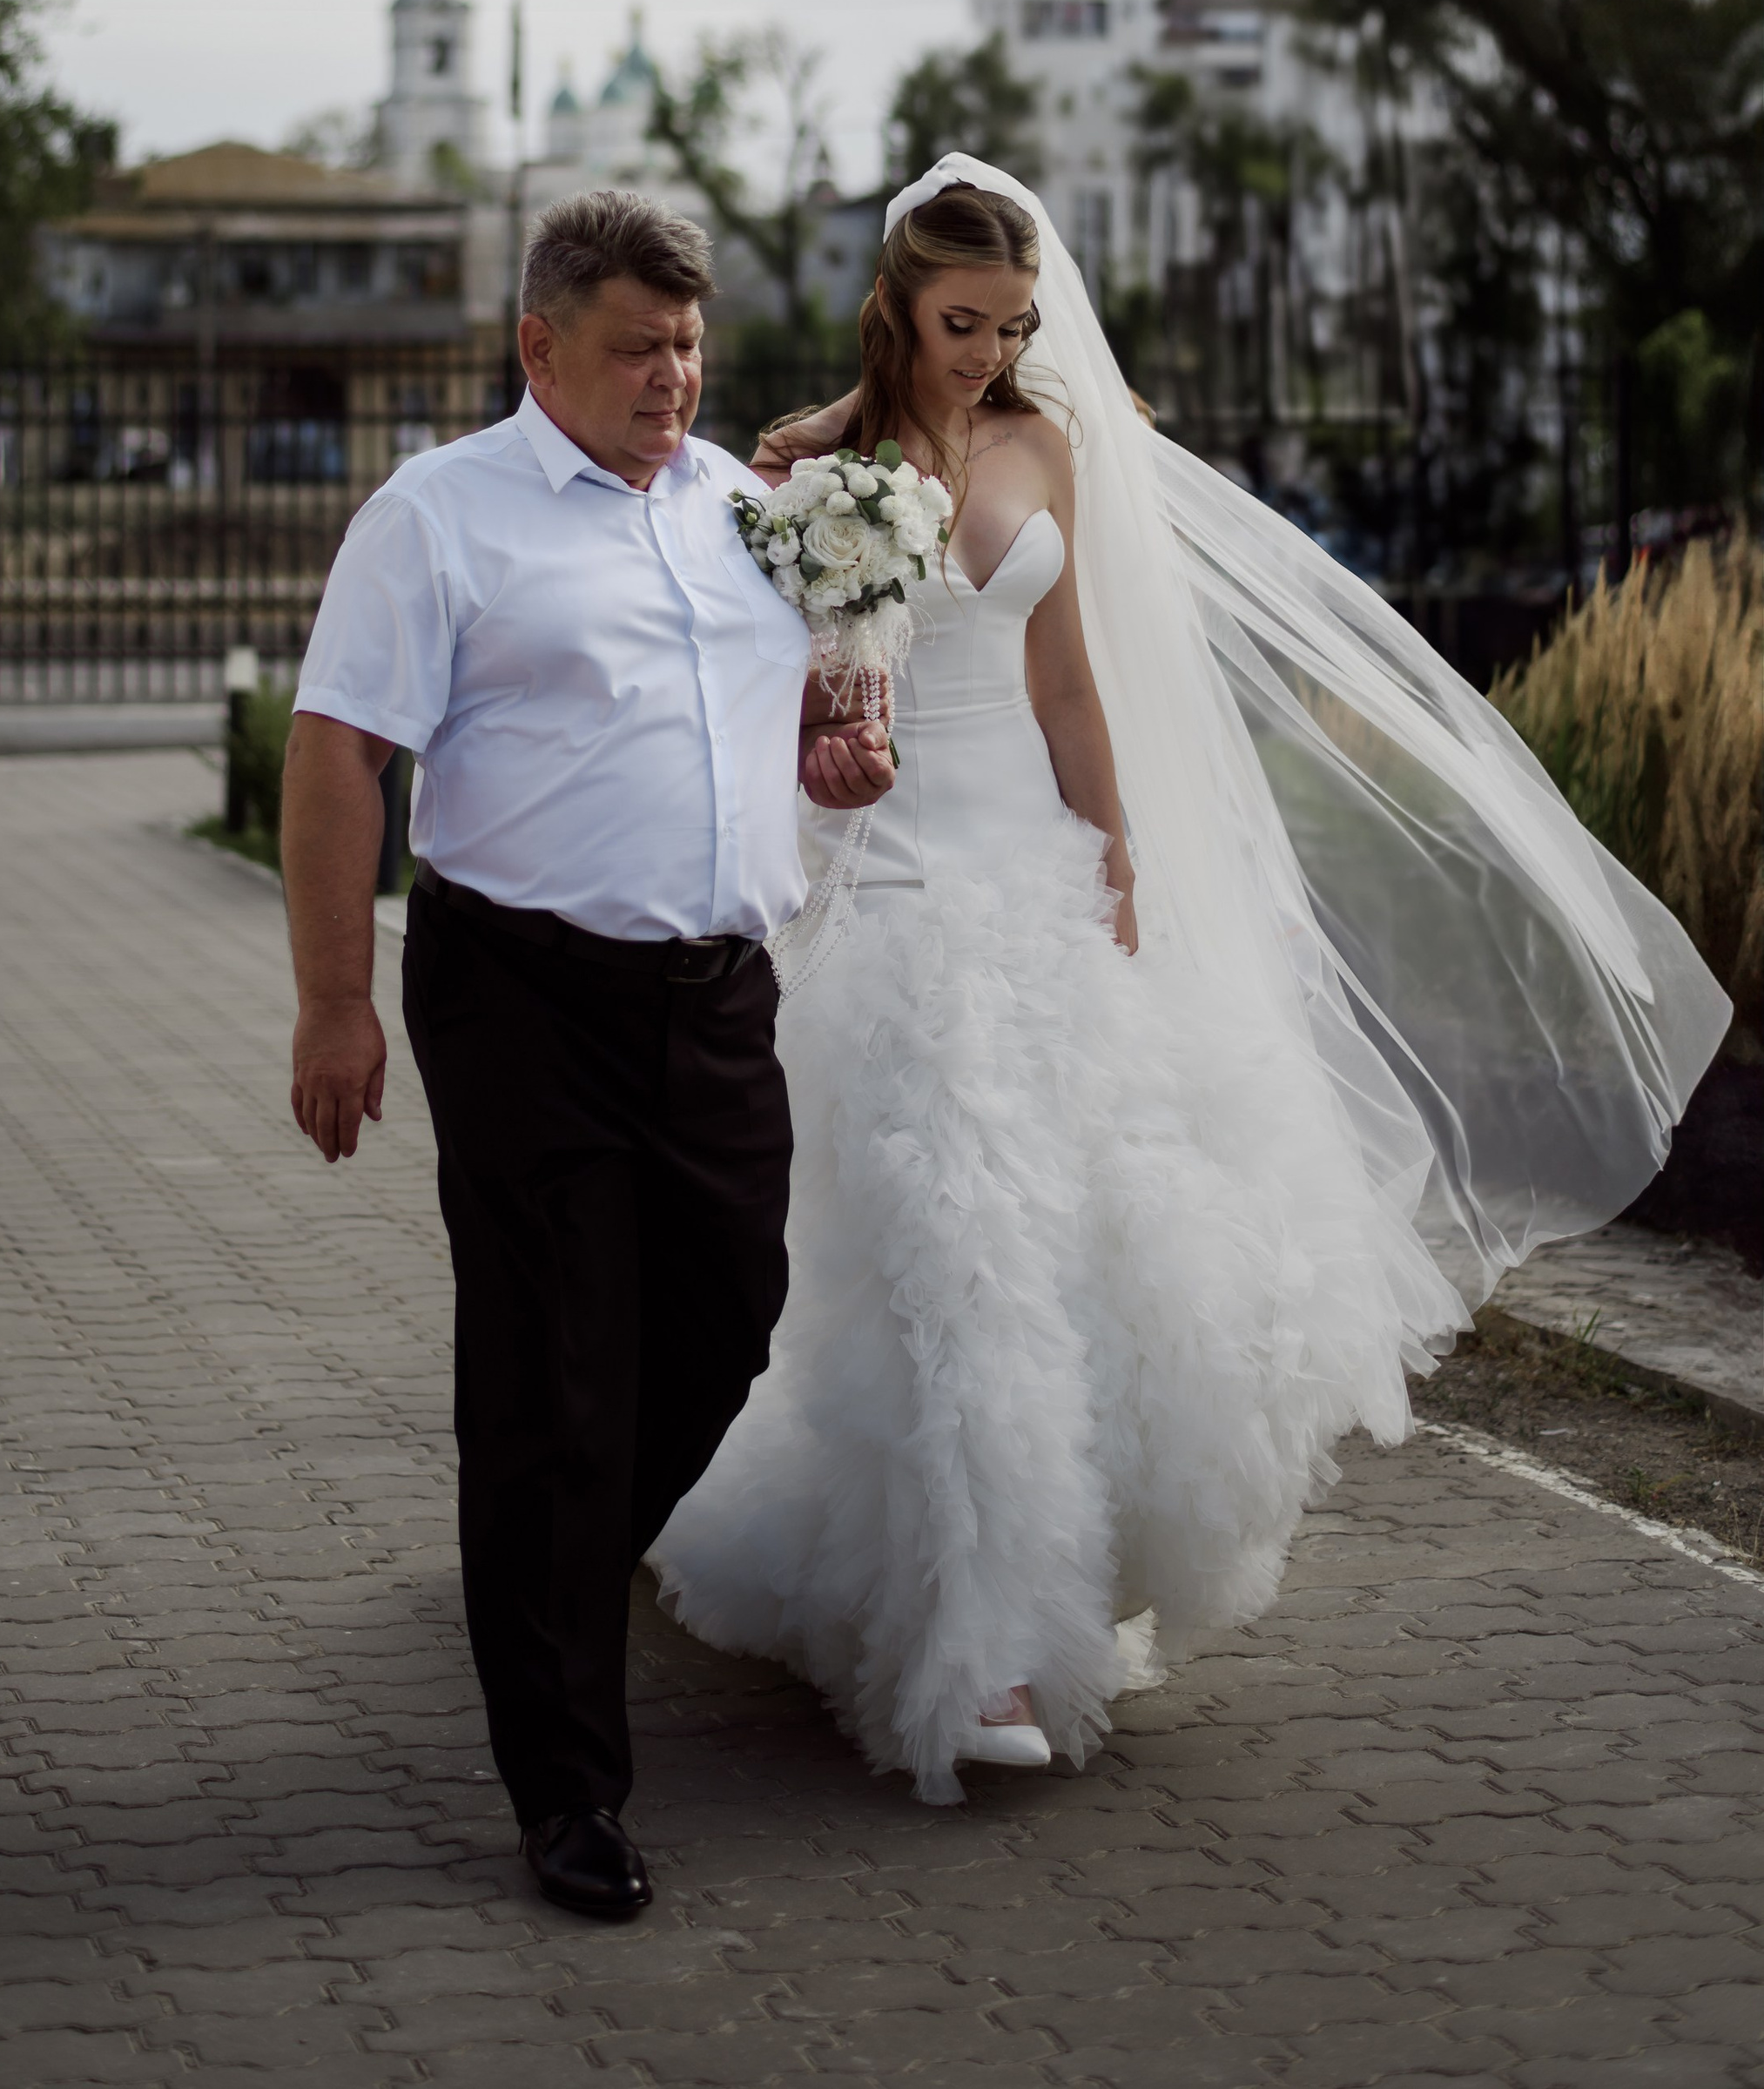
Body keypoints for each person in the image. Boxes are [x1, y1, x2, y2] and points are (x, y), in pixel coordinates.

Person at [653, 155, 1731, 1803]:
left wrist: (1121, 850)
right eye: (959, 323)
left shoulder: (1046, 444)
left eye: (1012, 326)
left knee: (1064, 1247)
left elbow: (1068, 677)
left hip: (1036, 872)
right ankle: (982, 1646)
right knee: (953, 1263)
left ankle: (1028, 1593)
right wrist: (806, 773)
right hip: (886, 892)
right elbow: (766, 696)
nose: (987, 354)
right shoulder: (805, 466)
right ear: (897, 302)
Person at [282, 188, 895, 1917]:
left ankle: (544, 1564)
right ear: (537, 344)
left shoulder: (739, 513)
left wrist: (829, 759)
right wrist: (334, 1002)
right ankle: (565, 1788)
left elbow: (775, 721)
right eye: (637, 348)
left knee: (722, 1320)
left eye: (689, 344)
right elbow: (336, 758)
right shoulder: (439, 518)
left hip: (715, 997)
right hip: (519, 996)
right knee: (551, 1374)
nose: (671, 378)